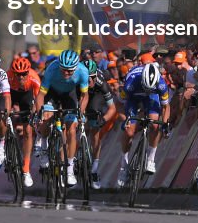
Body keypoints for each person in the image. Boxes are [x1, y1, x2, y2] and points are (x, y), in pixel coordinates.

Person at [35, 49, 88, 186]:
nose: (66, 73)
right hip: (51, 93)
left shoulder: (82, 71)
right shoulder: (52, 69)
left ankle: (69, 169)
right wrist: (40, 113)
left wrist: (80, 112)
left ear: (76, 68)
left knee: (71, 130)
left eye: (70, 71)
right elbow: (40, 95)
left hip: (69, 95)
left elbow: (84, 96)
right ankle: (45, 148)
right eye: (63, 69)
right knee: (46, 117)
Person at [117, 60, 169, 186]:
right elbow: (119, 104)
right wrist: (125, 119)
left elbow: (166, 107)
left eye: (150, 88)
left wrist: (165, 124)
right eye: (146, 88)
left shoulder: (161, 84)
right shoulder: (130, 82)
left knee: (156, 124)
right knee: (129, 132)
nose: (147, 90)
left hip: (151, 98)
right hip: (133, 98)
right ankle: (123, 166)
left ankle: (151, 159)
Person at [81, 58, 116, 190]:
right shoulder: (76, 78)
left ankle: (94, 170)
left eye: (92, 77)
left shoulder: (101, 83)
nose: (89, 80)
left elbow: (112, 109)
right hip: (80, 92)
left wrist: (103, 120)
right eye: (86, 77)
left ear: (96, 75)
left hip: (96, 95)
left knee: (95, 123)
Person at [7, 55, 40, 188]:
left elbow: (38, 99)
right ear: (13, 73)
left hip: (26, 96)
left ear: (28, 72)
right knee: (2, 116)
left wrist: (34, 110)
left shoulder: (34, 78)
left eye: (23, 74)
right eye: (18, 74)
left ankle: (26, 169)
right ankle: (2, 145)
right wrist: (7, 109)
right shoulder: (8, 77)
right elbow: (3, 96)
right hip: (10, 94)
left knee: (28, 130)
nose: (21, 77)